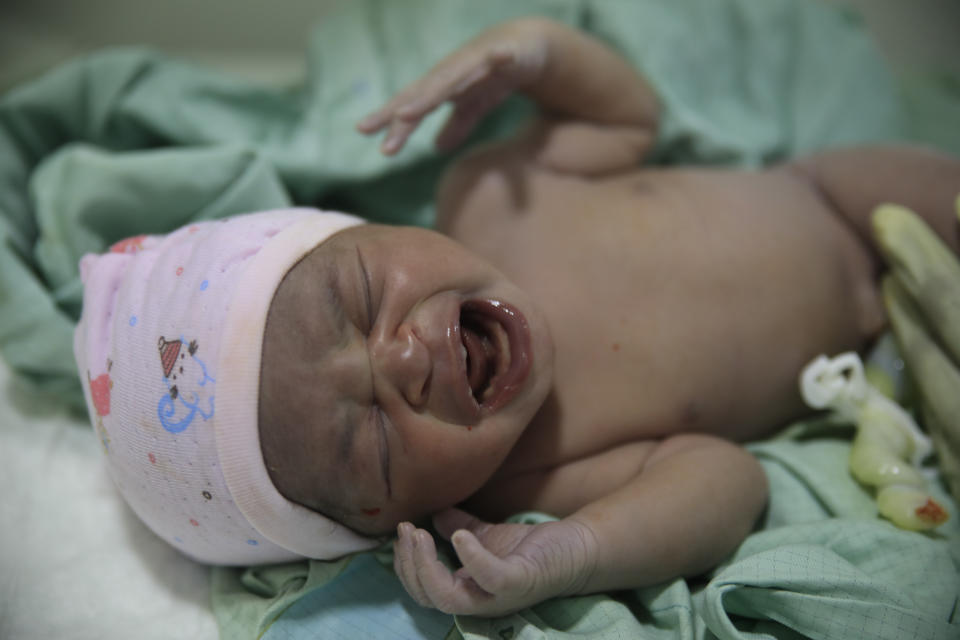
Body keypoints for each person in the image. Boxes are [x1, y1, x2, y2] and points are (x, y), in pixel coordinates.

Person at [74, 18, 960, 617]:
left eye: (352, 302)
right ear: (397, 520)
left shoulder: (491, 195)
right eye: (371, 443)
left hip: (837, 196)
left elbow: (624, 117)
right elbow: (726, 480)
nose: (400, 363)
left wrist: (537, 54)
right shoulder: (525, 478)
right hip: (891, 361)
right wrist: (571, 554)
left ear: (369, 227)